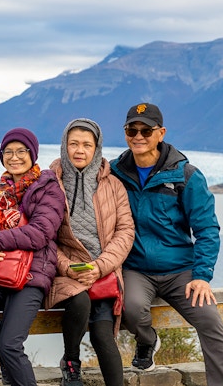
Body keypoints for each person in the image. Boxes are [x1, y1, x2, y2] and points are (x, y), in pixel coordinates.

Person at [110, 103, 223, 386]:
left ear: (161, 133)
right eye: (132, 129)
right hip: (136, 269)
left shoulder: (186, 175)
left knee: (211, 323)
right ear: (125, 132)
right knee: (129, 308)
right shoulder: (115, 172)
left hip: (181, 271)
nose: (138, 135)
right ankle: (148, 341)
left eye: (146, 130)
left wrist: (202, 276)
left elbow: (206, 229)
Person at [0, 128, 65, 386]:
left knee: (10, 344)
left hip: (33, 273)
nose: (14, 157)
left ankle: (12, 369)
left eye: (21, 151)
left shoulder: (48, 188)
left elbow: (41, 233)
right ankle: (11, 361)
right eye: (8, 152)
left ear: (32, 154)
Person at [46, 119, 134, 386]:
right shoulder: (50, 183)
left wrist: (100, 266)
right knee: (80, 301)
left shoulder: (113, 185)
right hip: (65, 272)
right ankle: (71, 363)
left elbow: (125, 231)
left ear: (97, 148)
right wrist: (67, 267)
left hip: (102, 272)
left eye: (87, 144)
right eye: (73, 144)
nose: (79, 150)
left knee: (102, 335)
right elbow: (44, 236)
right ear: (64, 146)